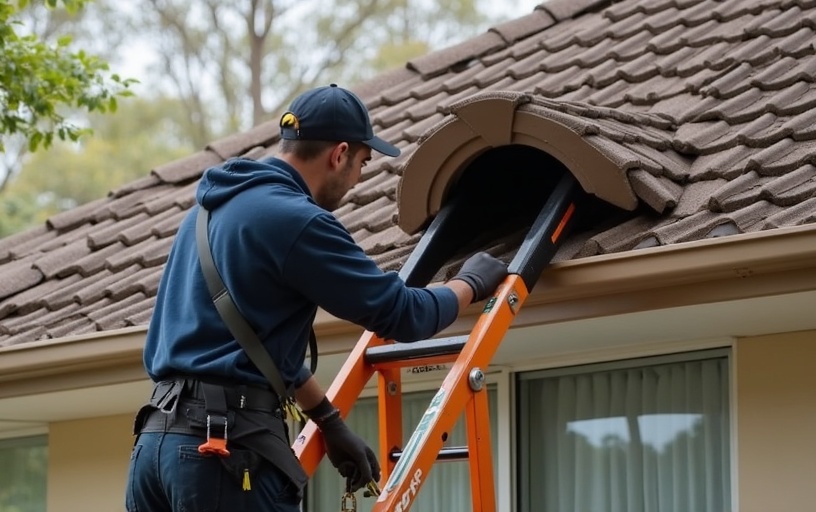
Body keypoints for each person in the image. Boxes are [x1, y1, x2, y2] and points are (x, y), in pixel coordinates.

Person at [125, 83, 508, 512]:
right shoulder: (296, 221)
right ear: (339, 153)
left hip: (155, 448)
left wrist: (328, 421)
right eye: (363, 163)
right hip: (221, 455)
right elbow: (402, 314)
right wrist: (471, 283)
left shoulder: (206, 212)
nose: (358, 178)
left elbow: (256, 348)